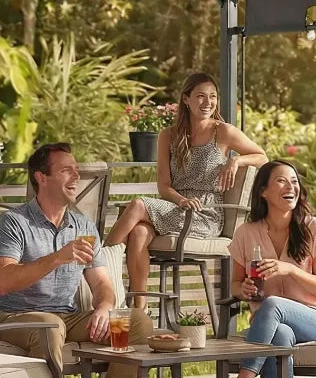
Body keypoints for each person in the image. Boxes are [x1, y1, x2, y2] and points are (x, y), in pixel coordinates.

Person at [0, 142, 139, 378]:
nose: (76, 175)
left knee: (134, 322)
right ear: (41, 177)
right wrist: (57, 257)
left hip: (66, 317)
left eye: (76, 169)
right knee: (50, 326)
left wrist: (104, 308)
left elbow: (102, 283)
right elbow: (3, 282)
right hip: (14, 318)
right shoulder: (13, 223)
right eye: (66, 170)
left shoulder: (82, 226)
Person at [105, 72, 266, 337]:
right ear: (186, 99)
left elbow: (262, 156)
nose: (208, 102)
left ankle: (101, 268)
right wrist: (181, 200)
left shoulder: (223, 131)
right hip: (176, 205)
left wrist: (236, 160)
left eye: (212, 97)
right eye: (200, 96)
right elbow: (163, 186)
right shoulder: (168, 135)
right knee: (139, 232)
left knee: (136, 205)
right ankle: (139, 310)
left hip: (205, 214)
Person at [199, 160, 316, 378]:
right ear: (263, 191)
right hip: (273, 325)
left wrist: (290, 269)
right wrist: (244, 290)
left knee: (272, 305)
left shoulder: (314, 228)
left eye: (294, 181)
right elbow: (235, 286)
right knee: (280, 338)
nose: (291, 187)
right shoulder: (246, 233)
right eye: (282, 181)